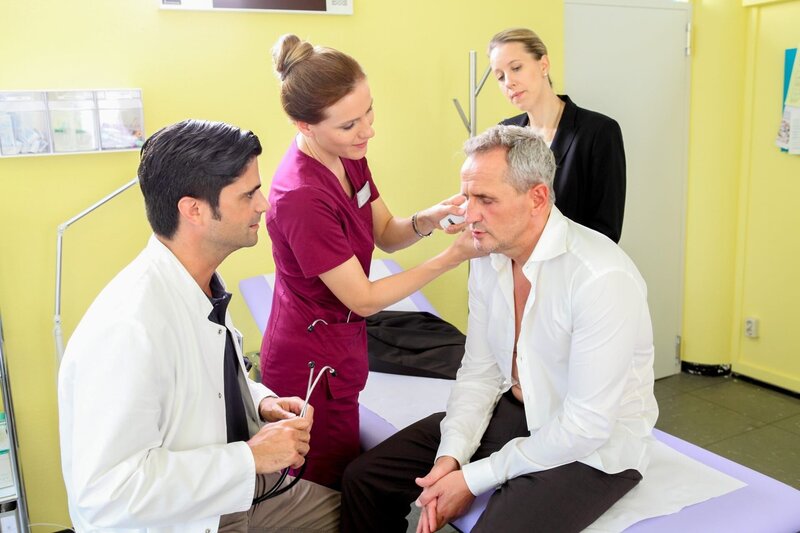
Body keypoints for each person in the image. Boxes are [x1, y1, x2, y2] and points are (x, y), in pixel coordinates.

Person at [341, 125, 658, 533]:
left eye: (486, 199)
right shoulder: (489, 257)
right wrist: (450, 458)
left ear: (537, 198)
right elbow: (480, 372)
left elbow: (586, 426)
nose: (469, 214)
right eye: (468, 196)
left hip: (595, 447)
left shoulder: (601, 277)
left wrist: (473, 478)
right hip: (518, 410)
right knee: (365, 480)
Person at [58, 119, 340, 533]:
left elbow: (202, 382)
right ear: (194, 210)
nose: (263, 204)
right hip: (180, 518)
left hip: (233, 492)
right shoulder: (128, 329)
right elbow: (106, 494)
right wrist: (251, 458)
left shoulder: (200, 285)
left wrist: (259, 402)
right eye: (248, 194)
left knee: (359, 510)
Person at [260, 34, 475, 489]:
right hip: (311, 365)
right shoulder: (300, 195)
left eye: (369, 111)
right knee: (322, 492)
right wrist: (452, 257)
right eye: (349, 124)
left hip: (341, 347)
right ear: (305, 126)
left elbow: (386, 235)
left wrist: (430, 218)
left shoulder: (349, 156)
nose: (367, 131)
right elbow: (364, 298)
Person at [490, 27, 626, 243]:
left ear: (543, 65)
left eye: (516, 68)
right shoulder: (505, 135)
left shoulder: (598, 132)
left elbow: (606, 231)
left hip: (575, 269)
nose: (508, 82)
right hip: (517, 267)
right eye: (500, 77)